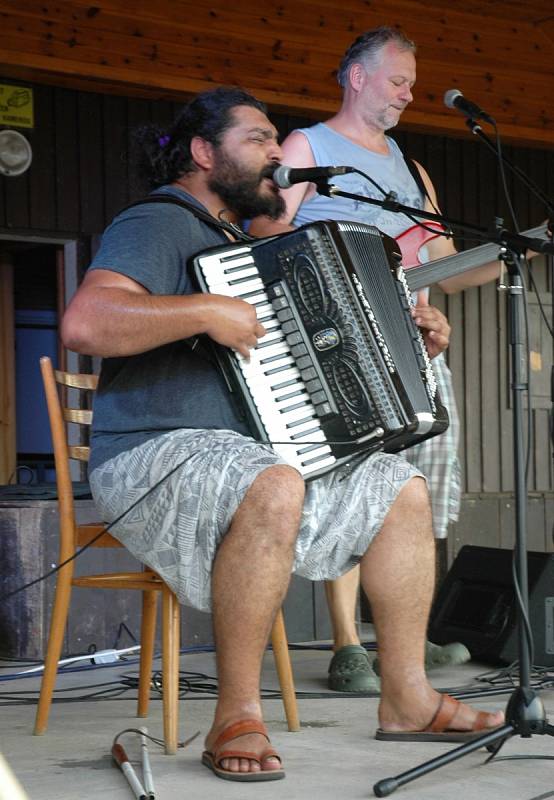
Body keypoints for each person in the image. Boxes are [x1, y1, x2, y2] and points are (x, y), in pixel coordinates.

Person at [61, 86, 503, 783]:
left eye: (277, 141)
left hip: (254, 460)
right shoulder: (161, 222)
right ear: (203, 153)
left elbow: (310, 368)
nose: (277, 153)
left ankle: (408, 697)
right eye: (259, 139)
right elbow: (87, 323)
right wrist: (205, 308)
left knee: (401, 488)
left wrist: (412, 336)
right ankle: (237, 712)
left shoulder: (252, 246)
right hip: (152, 455)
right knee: (273, 478)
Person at [249, 26, 505, 693]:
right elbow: (267, 232)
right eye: (399, 81)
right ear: (357, 77)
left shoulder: (409, 166)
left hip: (412, 340)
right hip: (338, 346)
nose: (409, 95)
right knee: (353, 485)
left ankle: (404, 639)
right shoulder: (308, 145)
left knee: (416, 490)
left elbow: (441, 267)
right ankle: (345, 644)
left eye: (412, 84)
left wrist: (516, 252)